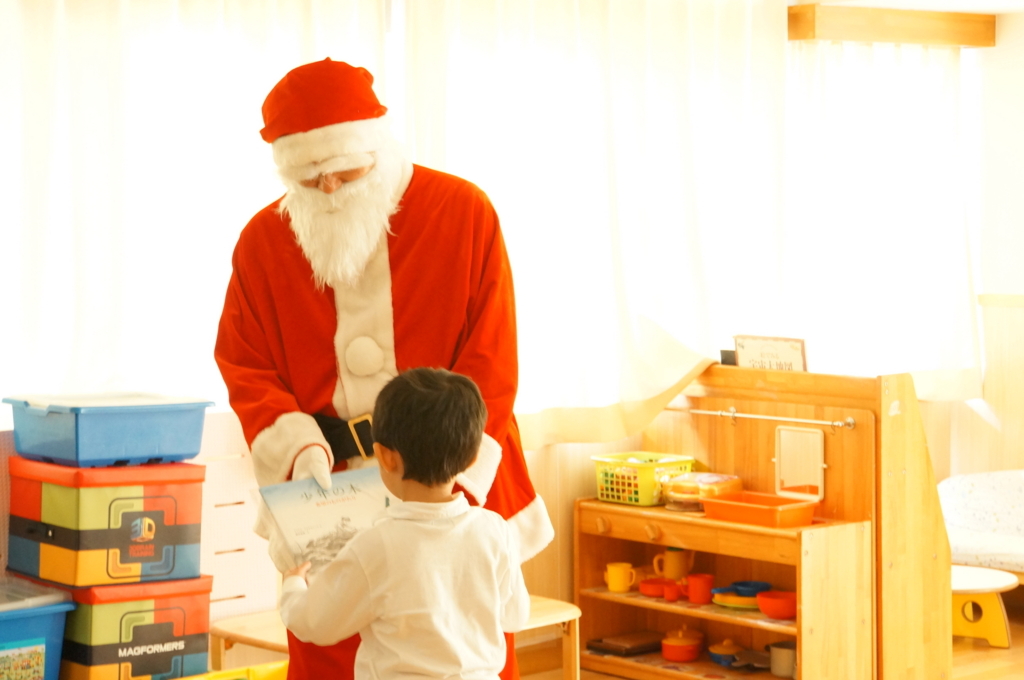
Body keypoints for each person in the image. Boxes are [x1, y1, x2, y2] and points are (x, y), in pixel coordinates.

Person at [214, 58, 554, 680]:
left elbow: (492, 361)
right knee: (326, 650)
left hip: (451, 476)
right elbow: (245, 363)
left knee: (460, 634)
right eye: (312, 180)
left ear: (376, 144)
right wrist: (301, 454)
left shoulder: (463, 211)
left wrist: (449, 470)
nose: (332, 190)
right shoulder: (263, 241)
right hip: (326, 485)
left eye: (346, 171)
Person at [279, 368, 531, 680]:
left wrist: (292, 586)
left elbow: (315, 623)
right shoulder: (496, 531)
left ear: (384, 456)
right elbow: (516, 617)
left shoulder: (374, 547)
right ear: (472, 458)